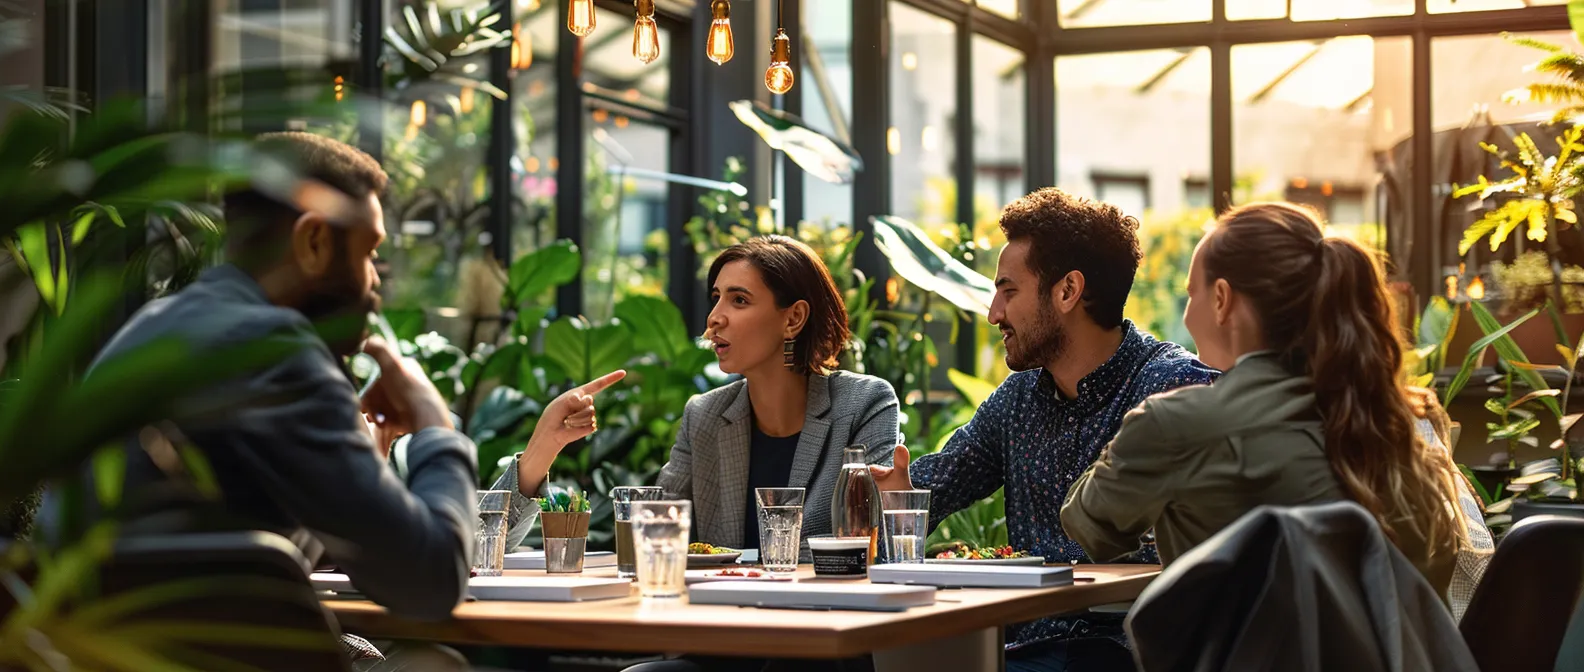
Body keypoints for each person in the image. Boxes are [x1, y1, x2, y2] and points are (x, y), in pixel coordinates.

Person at [82, 133, 612, 670]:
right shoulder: (279, 357)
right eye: (370, 253)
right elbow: (430, 582)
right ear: (312, 242)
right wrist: (436, 427)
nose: (376, 282)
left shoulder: (158, 328)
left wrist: (361, 451)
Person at [1059, 201, 1490, 612]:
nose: (1188, 316)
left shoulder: (1177, 425)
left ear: (1223, 300)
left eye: (1192, 294)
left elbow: (1088, 524)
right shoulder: (1398, 428)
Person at [871, 188, 1218, 672]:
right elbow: (928, 490)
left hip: (1132, 651)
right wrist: (897, 498)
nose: (994, 313)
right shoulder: (1017, 401)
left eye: (1009, 291)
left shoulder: (1175, 387)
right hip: (1020, 650)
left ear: (1068, 291)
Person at [494, 235, 900, 552]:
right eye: (716, 298)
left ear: (793, 318)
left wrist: (889, 506)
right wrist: (544, 445)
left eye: (739, 300)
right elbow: (647, 539)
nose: (713, 318)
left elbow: (865, 546)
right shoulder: (705, 415)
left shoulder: (862, 405)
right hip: (713, 639)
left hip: (820, 641)